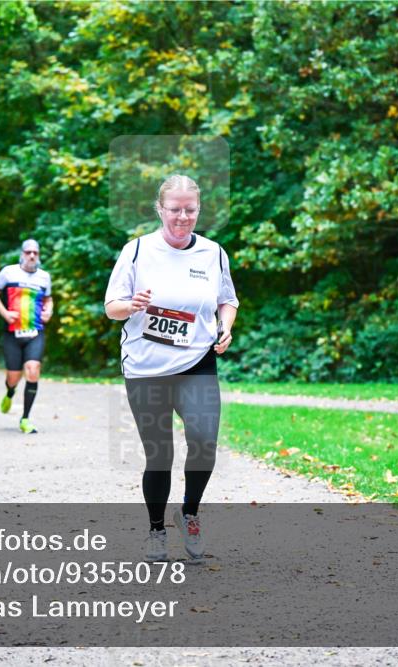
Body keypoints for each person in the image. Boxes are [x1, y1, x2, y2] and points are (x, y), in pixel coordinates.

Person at [104, 175, 238, 562]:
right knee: (159, 453)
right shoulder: (137, 250)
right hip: (146, 366)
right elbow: (111, 307)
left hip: (196, 360)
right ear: (160, 209)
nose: (182, 217)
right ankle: (156, 530)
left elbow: (227, 300)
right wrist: (132, 305)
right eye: (175, 209)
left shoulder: (213, 253)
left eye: (190, 210)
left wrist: (225, 327)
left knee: (205, 440)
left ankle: (189, 513)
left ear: (199, 210)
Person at [0, 239, 53, 434]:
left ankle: (25, 418)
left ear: (38, 255)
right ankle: (10, 392)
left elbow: (49, 299)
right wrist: (5, 313)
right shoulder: (8, 272)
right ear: (22, 254)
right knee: (13, 377)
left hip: (35, 332)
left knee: (33, 370)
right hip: (12, 333)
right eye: (28, 252)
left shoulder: (44, 277)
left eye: (35, 253)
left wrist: (49, 311)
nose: (32, 255)